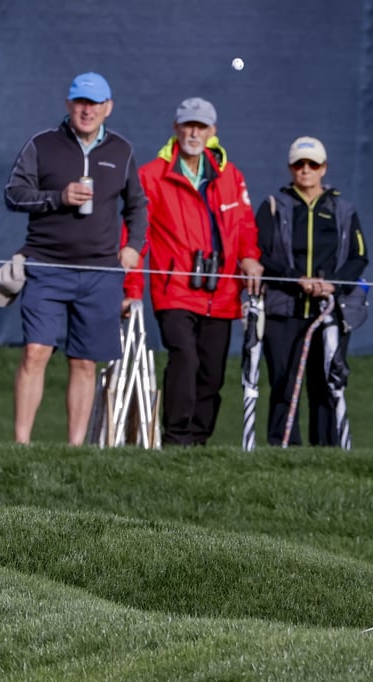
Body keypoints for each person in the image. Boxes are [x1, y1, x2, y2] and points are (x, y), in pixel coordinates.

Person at [4, 72, 146, 445]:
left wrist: (134, 245)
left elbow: (137, 206)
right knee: (36, 352)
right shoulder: (42, 144)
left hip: (100, 273)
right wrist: (57, 197)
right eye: (81, 102)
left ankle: (75, 448)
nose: (87, 110)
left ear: (108, 108)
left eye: (95, 103)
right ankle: (20, 445)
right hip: (46, 266)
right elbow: (13, 194)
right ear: (68, 105)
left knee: (84, 362)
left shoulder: (122, 150)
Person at [140, 97, 263, 446]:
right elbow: (137, 236)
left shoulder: (230, 175)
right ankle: (176, 438)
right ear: (176, 128)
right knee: (184, 359)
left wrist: (250, 258)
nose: (194, 132)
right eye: (188, 125)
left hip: (222, 291)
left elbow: (245, 227)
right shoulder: (151, 175)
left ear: (213, 132)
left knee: (211, 371)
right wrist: (131, 288)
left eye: (202, 126)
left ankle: (199, 441)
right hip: (174, 288)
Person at [255, 136, 368, 446]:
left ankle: (326, 451)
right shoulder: (274, 205)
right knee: (283, 383)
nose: (305, 170)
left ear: (324, 168)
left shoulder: (343, 209)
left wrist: (334, 284)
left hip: (330, 309)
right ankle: (284, 448)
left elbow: (359, 256)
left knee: (325, 384)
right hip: (283, 309)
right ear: (290, 168)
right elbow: (260, 253)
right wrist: (295, 278)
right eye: (299, 164)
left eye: (313, 164)